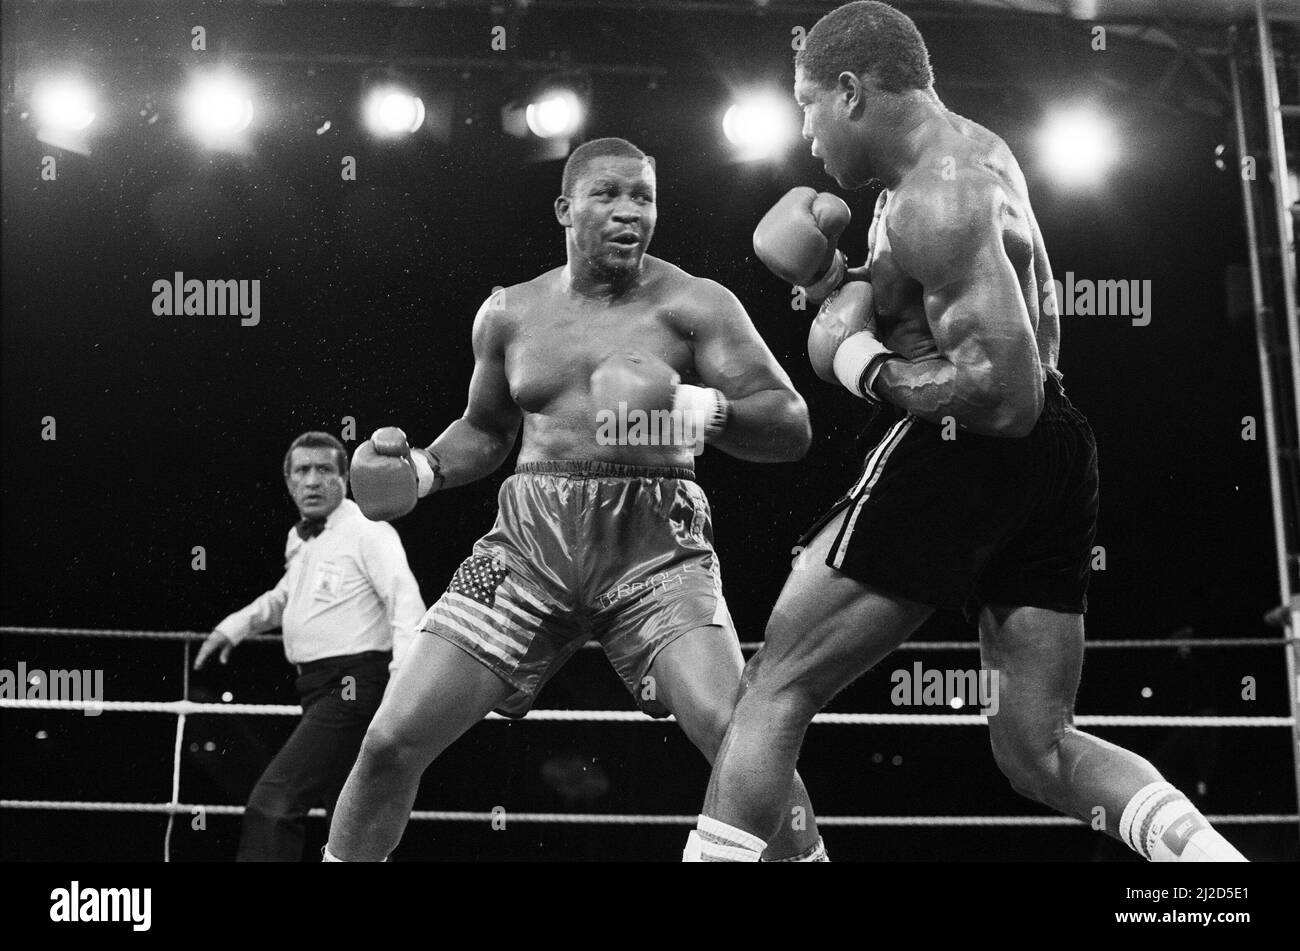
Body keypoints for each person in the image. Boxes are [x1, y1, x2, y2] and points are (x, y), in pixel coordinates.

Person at [688, 1, 1247, 862]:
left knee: (774, 684)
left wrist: (864, 366)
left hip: (970, 450)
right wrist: (851, 278)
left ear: (850, 91)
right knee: (1039, 748)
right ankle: (1216, 883)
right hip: (1057, 457)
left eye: (806, 106)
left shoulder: (932, 198)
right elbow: (973, 328)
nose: (804, 136)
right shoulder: (971, 156)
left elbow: (1000, 392)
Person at [324, 137, 827, 862]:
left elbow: (790, 424)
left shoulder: (695, 303)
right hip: (526, 545)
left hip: (658, 549)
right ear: (565, 208)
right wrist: (426, 469)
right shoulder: (508, 312)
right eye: (608, 194)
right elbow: (487, 428)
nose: (630, 212)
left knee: (740, 735)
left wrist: (684, 408)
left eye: (644, 197)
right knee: (390, 738)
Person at [195, 430, 425, 861]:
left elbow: (406, 605)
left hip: (354, 687)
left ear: (345, 478)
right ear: (289, 481)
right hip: (318, 689)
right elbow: (288, 594)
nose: (313, 481)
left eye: (324, 470)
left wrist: (400, 690)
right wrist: (236, 625)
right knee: (349, 823)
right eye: (303, 470)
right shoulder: (300, 538)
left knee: (274, 802)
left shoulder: (368, 530)